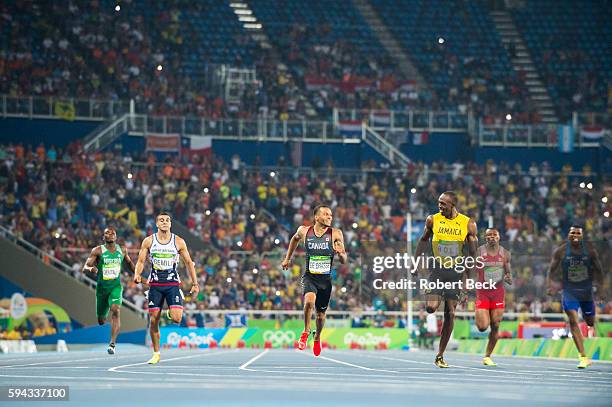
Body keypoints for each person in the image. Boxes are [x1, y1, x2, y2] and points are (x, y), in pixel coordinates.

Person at [414, 191, 478, 368]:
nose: (440, 206)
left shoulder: (468, 224)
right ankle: (438, 294)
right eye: (439, 203)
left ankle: (440, 355)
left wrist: (467, 282)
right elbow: (423, 240)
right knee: (431, 308)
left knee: (450, 312)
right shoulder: (432, 220)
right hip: (437, 270)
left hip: (456, 273)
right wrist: (415, 261)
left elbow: (473, 254)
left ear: (453, 205)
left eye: (443, 204)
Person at [134, 212, 200, 364]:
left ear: (170, 224)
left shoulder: (178, 241)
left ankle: (171, 311)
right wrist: (137, 274)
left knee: (177, 318)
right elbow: (141, 260)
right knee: (153, 320)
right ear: (157, 224)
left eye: (167, 220)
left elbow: (189, 263)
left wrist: (195, 283)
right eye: (161, 220)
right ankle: (156, 353)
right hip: (155, 285)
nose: (164, 222)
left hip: (172, 284)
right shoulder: (149, 241)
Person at [281, 204, 347, 356]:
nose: (329, 217)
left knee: (320, 315)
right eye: (325, 214)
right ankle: (306, 331)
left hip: (325, 281)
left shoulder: (335, 234)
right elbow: (294, 239)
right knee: (309, 302)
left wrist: (341, 254)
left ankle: (317, 337)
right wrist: (287, 258)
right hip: (310, 277)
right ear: (316, 217)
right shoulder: (304, 231)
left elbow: (344, 259)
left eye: (331, 215)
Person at [547, 225, 603, 369]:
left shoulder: (589, 250)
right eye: (573, 232)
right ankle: (583, 357)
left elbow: (598, 269)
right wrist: (550, 285)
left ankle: (588, 317)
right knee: (573, 319)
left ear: (582, 235)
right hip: (569, 290)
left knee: (590, 321)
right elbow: (551, 270)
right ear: (568, 235)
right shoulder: (560, 251)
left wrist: (601, 289)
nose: (575, 235)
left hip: (586, 291)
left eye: (578, 233)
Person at [83, 226, 135, 354]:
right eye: (107, 233)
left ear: (116, 237)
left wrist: (137, 273)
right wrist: (93, 269)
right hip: (101, 290)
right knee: (101, 321)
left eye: (112, 233)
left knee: (116, 309)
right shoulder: (97, 251)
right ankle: (103, 315)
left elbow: (129, 264)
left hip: (115, 287)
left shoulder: (122, 250)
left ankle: (112, 344)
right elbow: (86, 266)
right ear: (104, 237)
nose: (110, 234)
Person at [474, 228, 513, 366]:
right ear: (485, 238)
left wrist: (508, 277)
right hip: (483, 292)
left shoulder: (505, 254)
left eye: (494, 235)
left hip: (497, 293)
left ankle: (487, 356)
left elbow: (507, 271)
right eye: (489, 235)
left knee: (495, 325)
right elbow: (469, 269)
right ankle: (480, 315)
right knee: (483, 327)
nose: (491, 237)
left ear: (499, 237)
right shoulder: (478, 252)